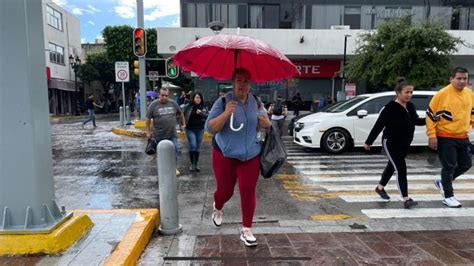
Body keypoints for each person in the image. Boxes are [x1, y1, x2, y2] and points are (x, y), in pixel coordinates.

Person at [206, 68, 272, 247]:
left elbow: (267, 122)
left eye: (246, 81)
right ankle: (218, 207)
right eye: (239, 80)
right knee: (225, 191)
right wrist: (227, 113)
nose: (242, 84)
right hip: (225, 155)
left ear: (249, 84)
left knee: (248, 189)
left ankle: (247, 229)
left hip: (251, 154)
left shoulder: (256, 102)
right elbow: (210, 128)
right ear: (233, 82)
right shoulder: (223, 101)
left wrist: (266, 123)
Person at [364, 77, 425, 209]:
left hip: (405, 143)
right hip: (391, 142)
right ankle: (406, 199)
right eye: (406, 92)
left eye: (411, 92)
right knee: (401, 168)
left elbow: (416, 121)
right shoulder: (389, 108)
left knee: (392, 166)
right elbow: (378, 125)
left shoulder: (410, 106)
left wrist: (432, 119)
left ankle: (380, 187)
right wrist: (368, 142)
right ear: (398, 93)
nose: (409, 95)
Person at [426, 67, 473, 208]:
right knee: (449, 166)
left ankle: (443, 182)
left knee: (466, 164)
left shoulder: (469, 94)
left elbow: (472, 113)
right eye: (458, 78)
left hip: (463, 136)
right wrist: (432, 136)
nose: (462, 81)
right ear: (451, 79)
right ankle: (448, 196)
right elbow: (430, 115)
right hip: (445, 136)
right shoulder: (442, 94)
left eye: (464, 78)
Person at [146, 88, 186, 176]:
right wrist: (148, 132)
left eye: (166, 96)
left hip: (172, 133)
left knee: (175, 149)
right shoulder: (153, 105)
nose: (164, 97)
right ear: (159, 95)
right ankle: (162, 169)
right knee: (161, 153)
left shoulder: (173, 103)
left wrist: (183, 124)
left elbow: (180, 113)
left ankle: (173, 168)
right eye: (162, 95)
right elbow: (148, 119)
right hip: (158, 134)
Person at [183, 92, 208, 172]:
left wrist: (201, 113)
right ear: (193, 98)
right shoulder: (188, 106)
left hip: (200, 129)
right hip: (190, 129)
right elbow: (181, 115)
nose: (198, 99)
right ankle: (192, 164)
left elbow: (208, 116)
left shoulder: (203, 107)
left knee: (197, 147)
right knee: (193, 145)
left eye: (199, 97)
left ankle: (196, 164)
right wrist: (182, 124)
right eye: (196, 97)